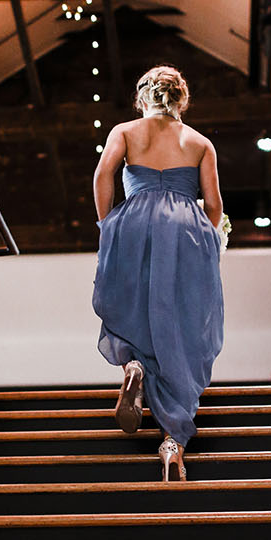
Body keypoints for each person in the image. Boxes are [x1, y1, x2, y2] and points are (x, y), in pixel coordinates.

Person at [92, 65, 225, 481]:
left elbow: (102, 176)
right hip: (186, 228)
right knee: (183, 323)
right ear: (181, 99)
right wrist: (211, 235)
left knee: (136, 305)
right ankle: (172, 439)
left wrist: (107, 224)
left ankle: (134, 365)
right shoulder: (199, 142)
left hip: (134, 221)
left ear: (142, 97)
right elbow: (215, 204)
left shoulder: (126, 131)